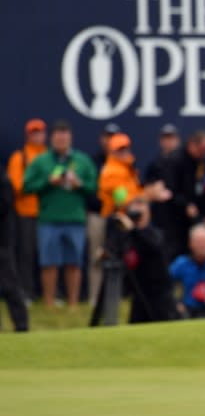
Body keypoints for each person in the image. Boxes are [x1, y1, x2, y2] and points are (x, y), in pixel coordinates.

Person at [22, 120, 97, 307]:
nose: (61, 141)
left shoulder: (82, 160)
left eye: (65, 137)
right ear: (52, 139)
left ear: (70, 138)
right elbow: (27, 186)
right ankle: (49, 303)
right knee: (49, 263)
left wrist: (79, 184)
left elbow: (94, 187)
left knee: (74, 263)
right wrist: (48, 182)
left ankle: (72, 304)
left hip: (75, 218)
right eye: (58, 138)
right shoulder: (41, 161)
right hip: (49, 218)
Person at [103, 196, 179, 324]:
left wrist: (133, 229)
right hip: (139, 294)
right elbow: (116, 249)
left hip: (159, 295)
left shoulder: (155, 233)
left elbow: (153, 246)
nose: (136, 211)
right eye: (134, 207)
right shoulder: (127, 236)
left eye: (141, 206)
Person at [6, 118, 48, 301]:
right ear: (28, 135)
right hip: (25, 213)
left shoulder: (49, 155)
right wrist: (42, 184)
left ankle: (46, 294)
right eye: (34, 132)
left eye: (39, 132)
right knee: (26, 254)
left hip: (47, 213)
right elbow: (16, 185)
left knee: (46, 256)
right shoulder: (20, 157)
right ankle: (26, 292)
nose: (37, 135)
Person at [164, 130, 205, 260]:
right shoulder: (175, 160)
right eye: (202, 149)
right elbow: (170, 190)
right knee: (175, 250)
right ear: (192, 144)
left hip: (195, 216)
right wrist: (185, 205)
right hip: (174, 217)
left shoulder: (202, 162)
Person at [86, 122, 121, 305]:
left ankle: (115, 297)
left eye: (113, 137)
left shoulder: (125, 162)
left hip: (118, 216)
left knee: (119, 257)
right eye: (107, 137)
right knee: (97, 256)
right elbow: (91, 190)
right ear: (102, 139)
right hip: (98, 215)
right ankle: (95, 298)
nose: (110, 141)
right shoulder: (94, 162)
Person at [144, 123, 181, 260]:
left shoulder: (185, 162)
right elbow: (147, 189)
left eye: (171, 138)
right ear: (161, 141)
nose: (169, 142)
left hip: (181, 217)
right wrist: (156, 192)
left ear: (177, 140)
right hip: (161, 216)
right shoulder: (155, 164)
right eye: (166, 138)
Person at [0, 164, 29, 331]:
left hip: (2, 242)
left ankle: (21, 325)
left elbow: (4, 206)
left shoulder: (2, 178)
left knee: (9, 285)